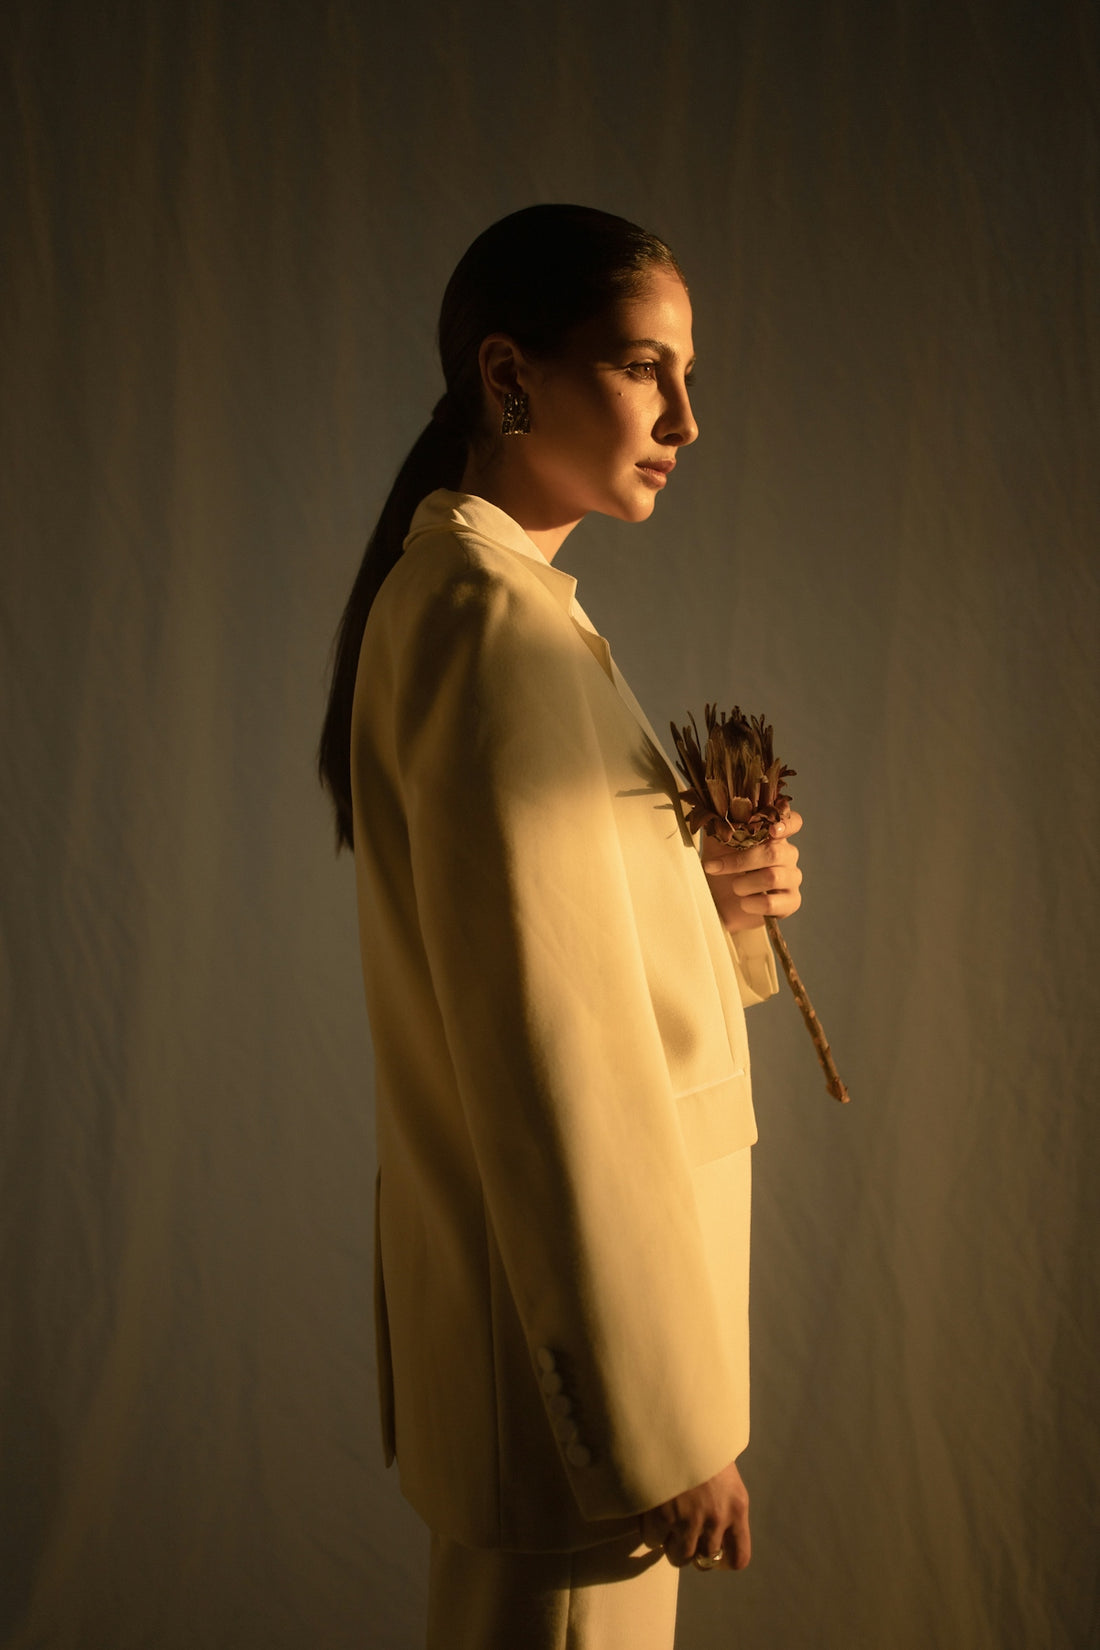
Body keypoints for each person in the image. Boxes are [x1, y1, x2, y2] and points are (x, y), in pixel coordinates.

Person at [319, 204, 803, 1650]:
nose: (686, 419)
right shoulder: (488, 626)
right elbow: (551, 1071)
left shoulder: (504, 609)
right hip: (580, 1407)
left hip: (555, 1382)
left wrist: (712, 914)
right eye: (648, 368)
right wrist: (657, 1424)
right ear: (509, 376)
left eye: (689, 377)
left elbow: (579, 987)